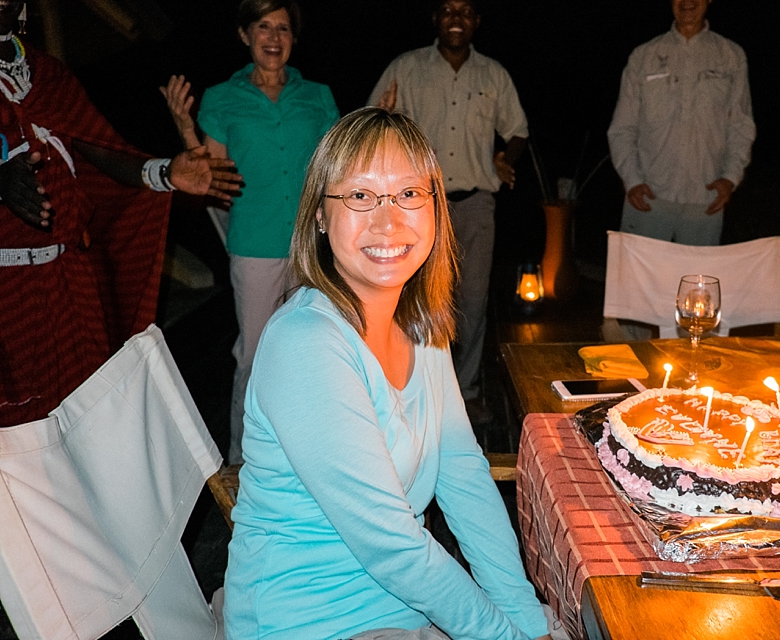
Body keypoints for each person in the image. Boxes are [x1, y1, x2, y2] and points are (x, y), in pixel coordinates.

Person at [222, 107, 549, 640]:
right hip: (308, 623)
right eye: (360, 195)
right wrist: (504, 635)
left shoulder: (419, 322)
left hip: (405, 609)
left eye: (408, 194)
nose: (387, 221)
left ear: (436, 206)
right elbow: (394, 548)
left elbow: (462, 473)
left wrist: (527, 619)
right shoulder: (307, 342)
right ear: (320, 216)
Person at [0, 1, 240, 427]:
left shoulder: (46, 73)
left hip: (71, 279)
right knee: (26, 433)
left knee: (99, 410)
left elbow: (97, 146)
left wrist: (166, 173)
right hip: (11, 290)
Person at [162, 0, 339, 463]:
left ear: (294, 38)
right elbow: (212, 176)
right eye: (263, 26)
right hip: (255, 246)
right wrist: (184, 127)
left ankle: (306, 455)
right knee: (255, 356)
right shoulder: (222, 98)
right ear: (245, 35)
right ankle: (244, 460)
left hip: (312, 248)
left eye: (283, 28)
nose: (274, 37)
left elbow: (335, 170)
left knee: (313, 351)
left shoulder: (318, 95)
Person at [368, 0, 528, 424]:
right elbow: (373, 122)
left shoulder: (493, 74)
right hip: (419, 206)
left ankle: (467, 391)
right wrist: (385, 120)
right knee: (415, 299)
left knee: (472, 302)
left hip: (476, 205)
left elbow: (518, 129)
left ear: (477, 21)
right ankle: (411, 391)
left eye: (466, 11)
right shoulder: (406, 68)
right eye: (447, 10)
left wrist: (504, 157)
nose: (456, 19)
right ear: (434, 18)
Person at [607, 0, 755, 246]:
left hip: (706, 198)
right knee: (642, 272)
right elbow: (622, 128)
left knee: (698, 271)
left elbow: (740, 125)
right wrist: (632, 180)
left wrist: (730, 177)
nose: (687, 1)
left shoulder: (731, 56)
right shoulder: (643, 56)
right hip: (648, 197)